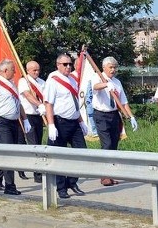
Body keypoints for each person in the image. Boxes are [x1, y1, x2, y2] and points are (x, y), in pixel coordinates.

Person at [43, 53, 88, 199]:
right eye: (65, 64)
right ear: (58, 65)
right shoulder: (53, 80)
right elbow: (48, 103)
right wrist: (51, 125)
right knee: (60, 156)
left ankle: (72, 182)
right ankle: (61, 188)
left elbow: (75, 104)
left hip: (74, 122)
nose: (68, 67)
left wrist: (81, 122)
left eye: (70, 64)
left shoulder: (73, 81)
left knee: (82, 153)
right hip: (60, 122)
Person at [89, 57, 137, 187]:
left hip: (114, 115)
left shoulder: (117, 82)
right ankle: (104, 176)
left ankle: (110, 175)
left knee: (114, 145)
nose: (113, 70)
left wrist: (131, 116)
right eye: (110, 67)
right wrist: (105, 84)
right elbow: (95, 87)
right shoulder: (98, 77)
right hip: (101, 114)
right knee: (107, 144)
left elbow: (123, 102)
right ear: (104, 67)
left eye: (115, 67)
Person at [0, 59, 29, 195]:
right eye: (13, 69)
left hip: (14, 122)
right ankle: (10, 186)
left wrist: (25, 119)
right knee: (8, 154)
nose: (15, 72)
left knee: (11, 152)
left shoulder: (12, 84)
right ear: (5, 71)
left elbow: (19, 103)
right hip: (2, 122)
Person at [17, 60, 46, 183]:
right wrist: (39, 104)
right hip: (27, 116)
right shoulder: (24, 81)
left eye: (38, 69)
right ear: (28, 70)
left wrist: (44, 107)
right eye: (34, 70)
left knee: (38, 142)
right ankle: (37, 174)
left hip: (38, 115)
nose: (36, 72)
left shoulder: (42, 82)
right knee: (34, 144)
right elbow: (28, 96)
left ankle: (36, 169)